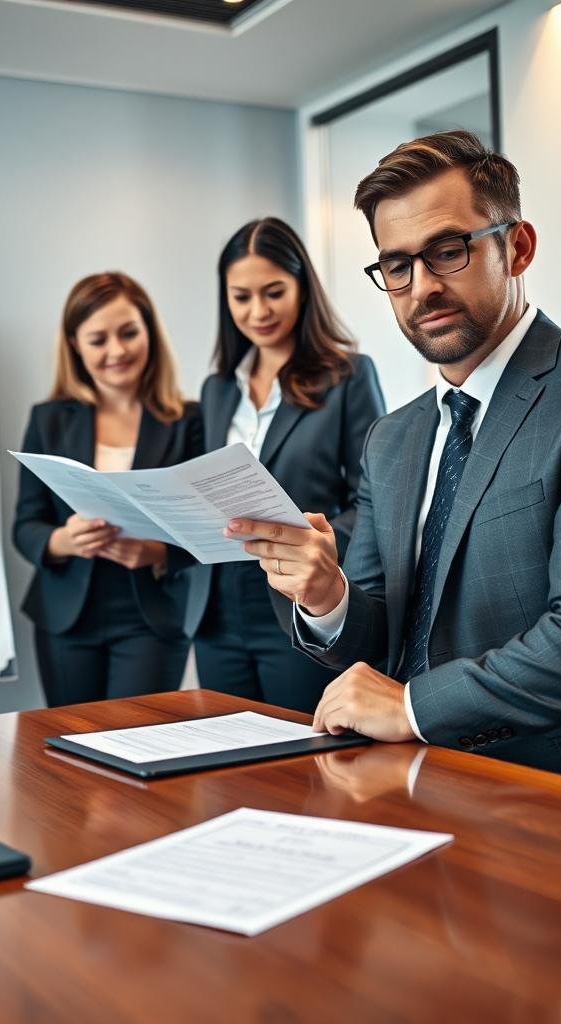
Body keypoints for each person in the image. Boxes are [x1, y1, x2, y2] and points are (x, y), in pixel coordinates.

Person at [229, 130, 561, 788]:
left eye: (447, 250)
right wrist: (328, 597)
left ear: (516, 247)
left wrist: (411, 706)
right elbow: (385, 635)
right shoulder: (393, 438)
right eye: (396, 266)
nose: (421, 286)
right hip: (417, 785)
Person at [191, 217, 386, 713]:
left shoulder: (348, 376)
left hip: (296, 597)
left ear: (303, 288)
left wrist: (314, 543)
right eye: (241, 296)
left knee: (300, 764)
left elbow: (377, 498)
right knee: (225, 757)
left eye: (274, 291)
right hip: (216, 605)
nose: (258, 311)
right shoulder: (217, 390)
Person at [14, 272, 202, 706]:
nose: (116, 351)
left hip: (151, 618)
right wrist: (62, 540)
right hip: (66, 619)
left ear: (149, 334)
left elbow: (208, 525)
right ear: (75, 345)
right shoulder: (49, 419)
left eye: (129, 333)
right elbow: (25, 524)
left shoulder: (189, 420)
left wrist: (157, 553)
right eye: (98, 339)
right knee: (73, 754)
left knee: (138, 752)